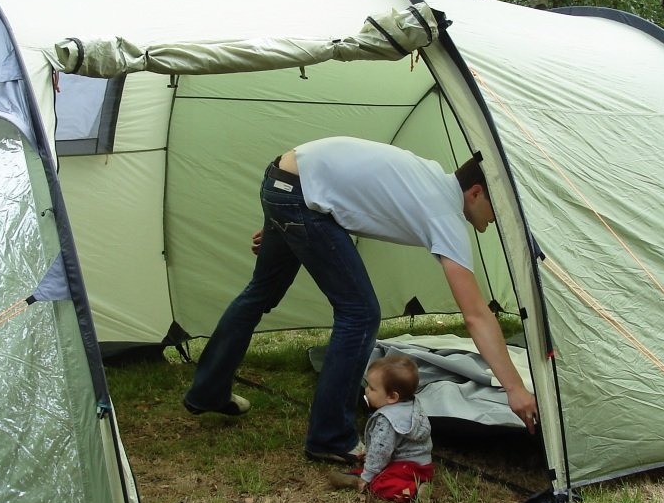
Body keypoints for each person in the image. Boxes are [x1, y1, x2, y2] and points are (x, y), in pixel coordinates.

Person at [183, 136, 538, 463]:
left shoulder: (429, 178)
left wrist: (286, 219)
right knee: (361, 312)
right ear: (476, 192)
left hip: (287, 182)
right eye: (500, 209)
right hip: (300, 197)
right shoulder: (445, 213)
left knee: (261, 291)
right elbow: (476, 315)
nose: (499, 221)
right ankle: (330, 438)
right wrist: (515, 389)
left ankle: (208, 391)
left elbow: (355, 191)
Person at [328, 354, 433, 502]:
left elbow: (381, 452)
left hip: (406, 468)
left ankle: (415, 492)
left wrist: (368, 474)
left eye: (372, 388)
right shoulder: (412, 406)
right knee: (377, 469)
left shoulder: (387, 420)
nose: (366, 391)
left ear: (392, 397)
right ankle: (355, 478)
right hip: (422, 466)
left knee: (380, 483)